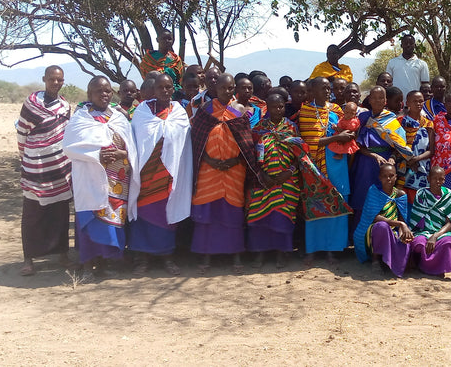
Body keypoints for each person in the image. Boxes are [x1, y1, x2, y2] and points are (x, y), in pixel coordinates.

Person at [248, 92, 352, 269]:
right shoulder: (258, 129)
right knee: (261, 219)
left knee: (283, 217)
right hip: (264, 181)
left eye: (281, 106)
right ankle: (261, 254)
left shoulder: (291, 127)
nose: (278, 110)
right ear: (267, 108)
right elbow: (253, 156)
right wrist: (264, 175)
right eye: (274, 107)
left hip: (287, 180)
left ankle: (281, 254)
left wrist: (288, 172)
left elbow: (300, 154)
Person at [63, 77, 138, 280]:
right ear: (89, 94)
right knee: (90, 221)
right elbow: (69, 147)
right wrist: (97, 155)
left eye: (107, 91)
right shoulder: (80, 119)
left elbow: (131, 147)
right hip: (89, 180)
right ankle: (88, 265)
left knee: (114, 222)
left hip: (117, 182)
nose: (104, 94)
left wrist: (123, 155)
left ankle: (109, 262)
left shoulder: (119, 118)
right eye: (98, 91)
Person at [188, 73, 262, 274]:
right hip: (208, 170)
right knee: (208, 213)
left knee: (232, 214)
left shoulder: (239, 110)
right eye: (223, 88)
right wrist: (209, 159)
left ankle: (235, 254)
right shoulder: (205, 110)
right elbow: (197, 141)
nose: (227, 91)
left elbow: (246, 143)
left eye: (231, 88)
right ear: (215, 88)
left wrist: (235, 160)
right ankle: (206, 255)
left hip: (233, 171)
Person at [129, 75, 193, 276]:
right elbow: (138, 139)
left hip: (169, 174)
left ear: (172, 89)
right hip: (146, 174)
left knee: (167, 217)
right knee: (144, 215)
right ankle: (142, 260)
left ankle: (167, 257)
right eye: (160, 87)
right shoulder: (142, 112)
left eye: (168, 87)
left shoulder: (179, 112)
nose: (165, 91)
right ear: (153, 90)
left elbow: (183, 141)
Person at [16, 65, 73, 276]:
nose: (56, 83)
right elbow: (22, 134)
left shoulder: (65, 106)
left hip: (59, 166)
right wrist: (26, 157)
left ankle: (63, 255)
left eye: (60, 80)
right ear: (44, 79)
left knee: (60, 212)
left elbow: (66, 134)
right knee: (32, 213)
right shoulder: (31, 105)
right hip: (35, 166)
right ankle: (28, 258)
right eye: (52, 79)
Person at [295, 77, 352, 264]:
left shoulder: (336, 110)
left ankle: (332, 250)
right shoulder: (306, 112)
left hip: (337, 164)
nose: (328, 91)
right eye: (323, 88)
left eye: (329, 88)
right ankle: (313, 249)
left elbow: (348, 132)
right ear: (313, 90)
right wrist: (336, 138)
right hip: (315, 166)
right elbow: (309, 142)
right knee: (315, 205)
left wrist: (345, 137)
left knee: (337, 203)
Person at [350, 86, 412, 233]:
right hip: (365, 162)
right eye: (374, 97)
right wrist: (373, 155)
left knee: (383, 198)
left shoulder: (392, 119)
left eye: (381, 98)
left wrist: (391, 159)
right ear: (369, 100)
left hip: (385, 165)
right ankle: (361, 237)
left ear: (385, 101)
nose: (377, 101)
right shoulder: (363, 118)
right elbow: (356, 143)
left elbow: (399, 145)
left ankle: (382, 236)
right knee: (362, 197)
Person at [354, 163, 412, 277]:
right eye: (384, 176)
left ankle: (390, 262)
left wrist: (402, 233)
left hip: (393, 231)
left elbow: (402, 218)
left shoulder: (400, 195)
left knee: (407, 240)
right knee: (382, 226)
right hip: (374, 230)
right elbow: (374, 217)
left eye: (391, 176)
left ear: (396, 177)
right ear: (379, 177)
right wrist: (400, 224)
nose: (388, 179)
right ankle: (376, 260)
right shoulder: (374, 191)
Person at [409, 166, 451, 275]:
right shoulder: (421, 194)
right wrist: (428, 235)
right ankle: (423, 266)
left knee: (449, 242)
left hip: (442, 232)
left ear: (444, 180)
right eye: (434, 178)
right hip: (424, 231)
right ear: (428, 179)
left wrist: (435, 236)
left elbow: (450, 222)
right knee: (419, 243)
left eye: (441, 179)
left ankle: (440, 269)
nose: (438, 181)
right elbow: (417, 219)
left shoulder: (449, 195)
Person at [398, 90, 434, 200]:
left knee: (419, 202)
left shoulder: (428, 123)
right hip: (403, 166)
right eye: (414, 101)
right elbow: (396, 145)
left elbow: (431, 150)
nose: (418, 104)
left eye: (421, 101)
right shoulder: (400, 121)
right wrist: (408, 160)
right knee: (402, 198)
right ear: (407, 103)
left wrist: (416, 159)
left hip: (422, 168)